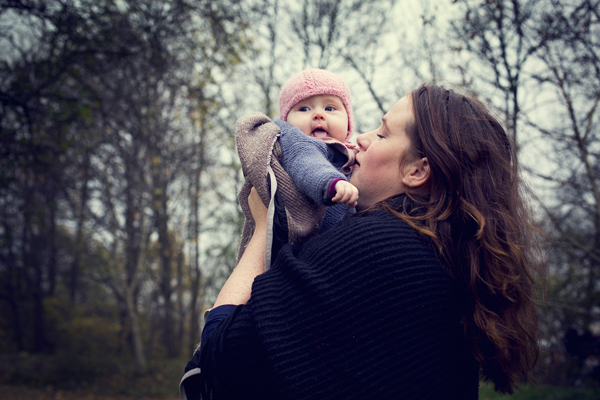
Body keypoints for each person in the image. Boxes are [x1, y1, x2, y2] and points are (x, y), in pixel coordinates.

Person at [180, 82, 542, 399]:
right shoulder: (448, 257)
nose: (361, 140)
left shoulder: (376, 245)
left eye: (382, 134)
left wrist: (264, 224)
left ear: (418, 170)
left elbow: (215, 369)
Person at [235, 69, 359, 267]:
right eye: (304, 109)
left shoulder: (355, 153)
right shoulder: (296, 141)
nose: (318, 115)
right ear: (287, 121)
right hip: (309, 250)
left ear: (348, 120)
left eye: (329, 108)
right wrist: (331, 183)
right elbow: (307, 164)